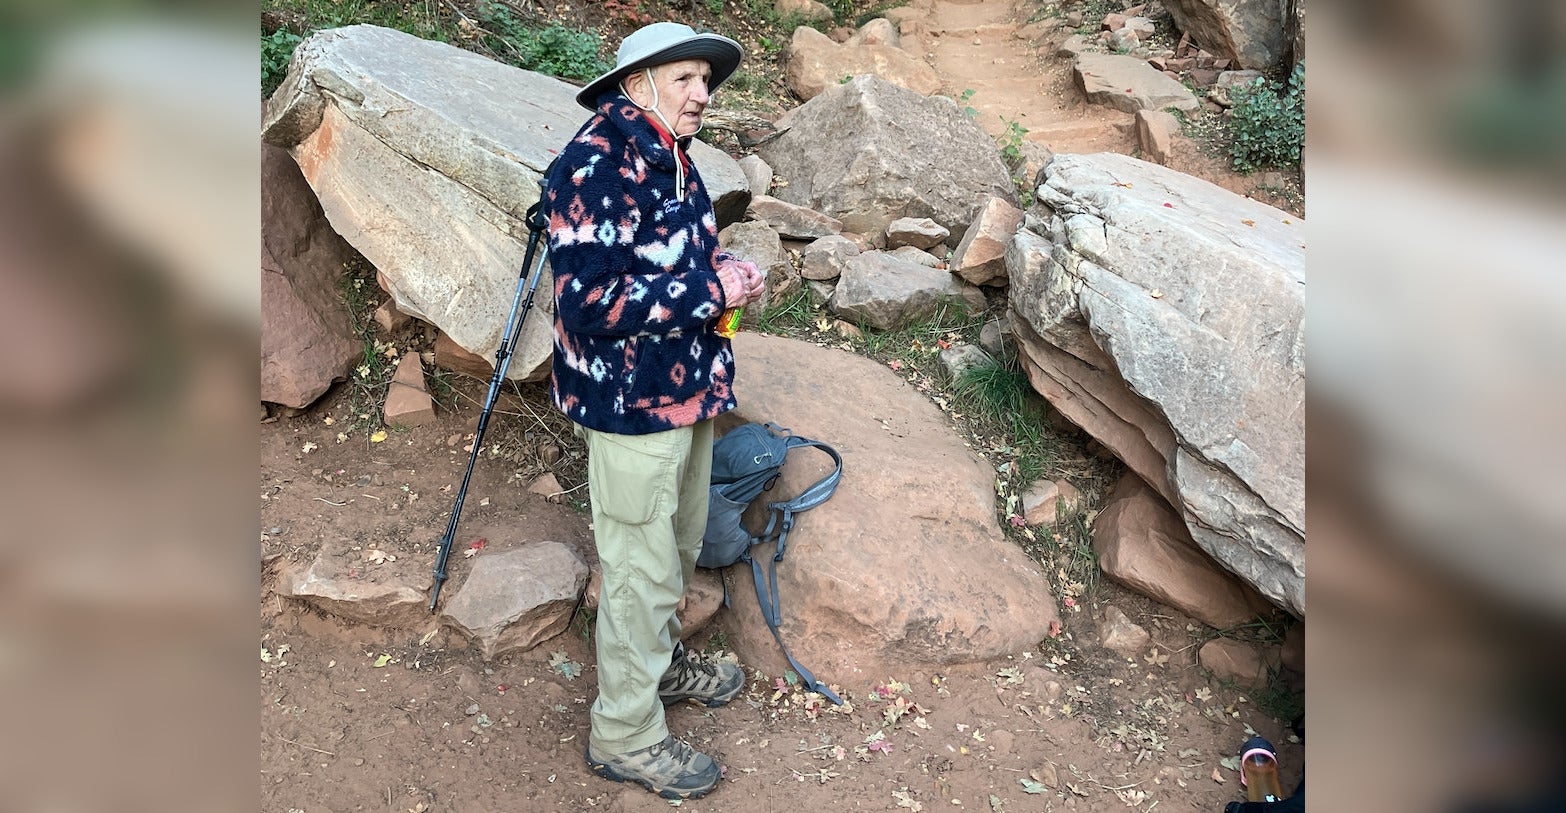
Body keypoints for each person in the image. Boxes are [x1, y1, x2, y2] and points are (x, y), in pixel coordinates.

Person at [539, 21, 766, 801]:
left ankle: (662, 668)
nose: (704, 93)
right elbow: (590, 300)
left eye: (707, 79)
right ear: (638, 84)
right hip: (631, 403)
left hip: (686, 387)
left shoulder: (670, 159)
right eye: (687, 78)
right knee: (637, 569)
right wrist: (713, 292)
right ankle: (625, 735)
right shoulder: (593, 165)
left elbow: (666, 264)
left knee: (673, 546)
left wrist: (722, 268)